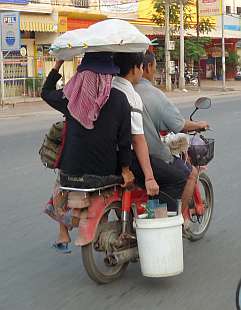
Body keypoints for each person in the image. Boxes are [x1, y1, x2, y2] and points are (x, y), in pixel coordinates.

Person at [41, 52, 134, 253]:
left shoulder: (70, 98)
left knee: (62, 180)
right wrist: (126, 169)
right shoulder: (119, 99)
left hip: (70, 173)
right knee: (129, 181)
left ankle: (62, 230)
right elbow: (125, 141)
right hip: (103, 172)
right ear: (108, 76)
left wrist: (58, 64)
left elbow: (46, 92)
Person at [134, 50, 209, 224]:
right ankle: (176, 222)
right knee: (190, 174)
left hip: (125, 156)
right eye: (154, 66)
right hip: (148, 156)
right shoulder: (153, 94)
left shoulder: (124, 89)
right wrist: (199, 124)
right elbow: (179, 124)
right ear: (147, 67)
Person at [113, 52, 187, 210]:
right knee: (178, 178)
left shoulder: (109, 87)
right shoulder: (131, 95)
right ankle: (158, 222)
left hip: (107, 156)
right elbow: (137, 140)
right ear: (135, 69)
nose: (141, 71)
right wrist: (149, 178)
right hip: (128, 158)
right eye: (140, 67)